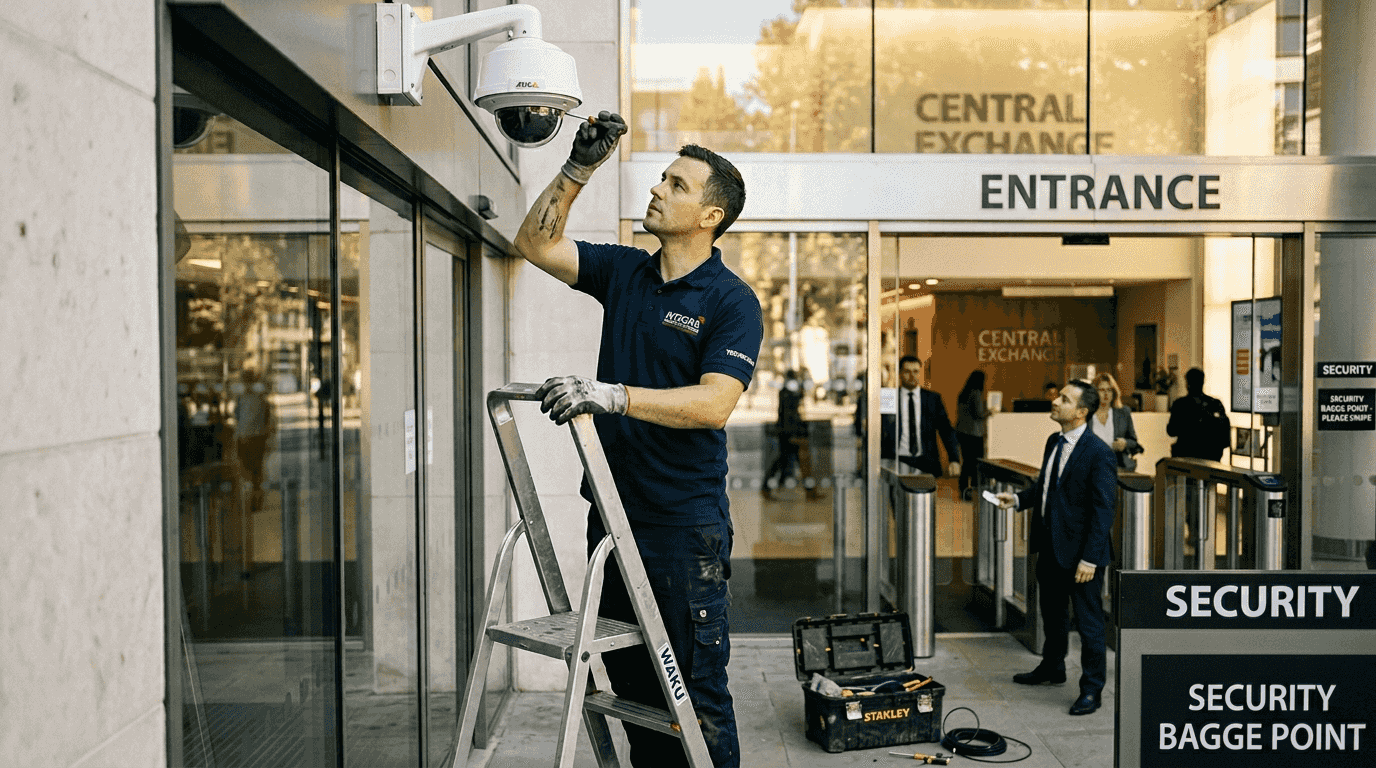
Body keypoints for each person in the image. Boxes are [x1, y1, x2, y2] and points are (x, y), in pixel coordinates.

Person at [515, 111, 759, 768]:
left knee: (695, 698)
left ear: (709, 216)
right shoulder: (625, 273)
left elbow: (714, 404)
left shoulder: (730, 301)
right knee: (634, 689)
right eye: (662, 180)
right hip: (612, 524)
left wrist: (611, 396)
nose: (657, 190)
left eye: (677, 185)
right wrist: (578, 168)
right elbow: (536, 245)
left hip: (682, 532)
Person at [994, 380, 1117, 716]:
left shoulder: (1099, 453)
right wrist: (1019, 499)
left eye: (1064, 399)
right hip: (1050, 546)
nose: (1055, 401)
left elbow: (1104, 509)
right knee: (1052, 612)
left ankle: (1092, 690)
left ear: (1081, 412)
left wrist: (1090, 558)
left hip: (1082, 556)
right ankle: (1052, 667)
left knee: (1090, 623)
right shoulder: (1054, 441)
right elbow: (1047, 487)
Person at [880, 355, 960, 478]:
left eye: (916, 371)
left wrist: (954, 458)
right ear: (900, 373)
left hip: (926, 462)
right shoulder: (890, 397)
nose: (912, 376)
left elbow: (946, 430)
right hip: (896, 461)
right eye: (907, 371)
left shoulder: (932, 399)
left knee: (926, 497)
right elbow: (880, 430)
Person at [763, 369, 816, 500]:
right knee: (791, 461)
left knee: (791, 461)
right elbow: (790, 414)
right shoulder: (788, 394)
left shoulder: (786, 393)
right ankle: (767, 488)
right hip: (790, 433)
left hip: (788, 433)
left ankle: (810, 491)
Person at [1166, 367, 1229, 461]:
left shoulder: (1180, 404)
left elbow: (1171, 430)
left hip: (1186, 454)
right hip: (1210, 456)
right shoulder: (1215, 404)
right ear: (1203, 382)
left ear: (1187, 384)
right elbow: (1224, 434)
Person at [1090, 372, 1143, 471]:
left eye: (1109, 390)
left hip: (1118, 465)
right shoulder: (1086, 414)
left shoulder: (1123, 412)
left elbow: (1134, 442)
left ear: (1114, 392)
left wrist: (1125, 443)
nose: (1106, 394)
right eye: (1101, 390)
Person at [954, 369, 990, 500]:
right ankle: (975, 491)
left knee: (966, 463)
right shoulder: (976, 393)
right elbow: (978, 414)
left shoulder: (963, 393)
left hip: (961, 433)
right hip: (974, 434)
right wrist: (990, 412)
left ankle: (963, 491)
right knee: (976, 465)